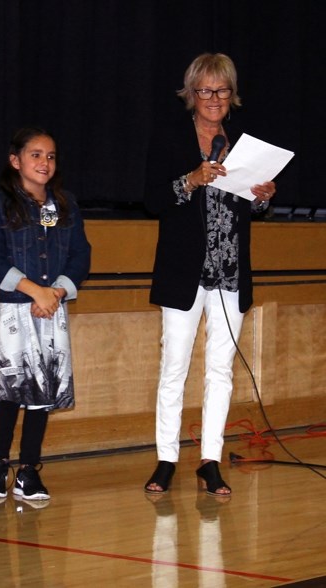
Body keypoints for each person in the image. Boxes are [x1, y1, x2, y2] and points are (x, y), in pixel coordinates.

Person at [144, 53, 276, 497]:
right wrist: (192, 179)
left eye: (222, 90)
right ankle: (166, 459)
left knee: (220, 370)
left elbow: (247, 209)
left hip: (230, 273)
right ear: (192, 95)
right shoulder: (170, 138)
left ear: (231, 94)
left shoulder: (241, 144)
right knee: (174, 367)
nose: (214, 99)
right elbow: (151, 200)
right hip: (184, 272)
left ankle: (211, 461)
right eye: (205, 90)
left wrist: (262, 197)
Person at [0, 126, 91, 502]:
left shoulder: (66, 205)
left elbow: (80, 257)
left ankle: (29, 470)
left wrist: (55, 292)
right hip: (15, 308)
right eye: (36, 155)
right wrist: (33, 290)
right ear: (16, 160)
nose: (45, 162)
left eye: (51, 156)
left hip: (50, 310)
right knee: (11, 389)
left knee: (42, 390)